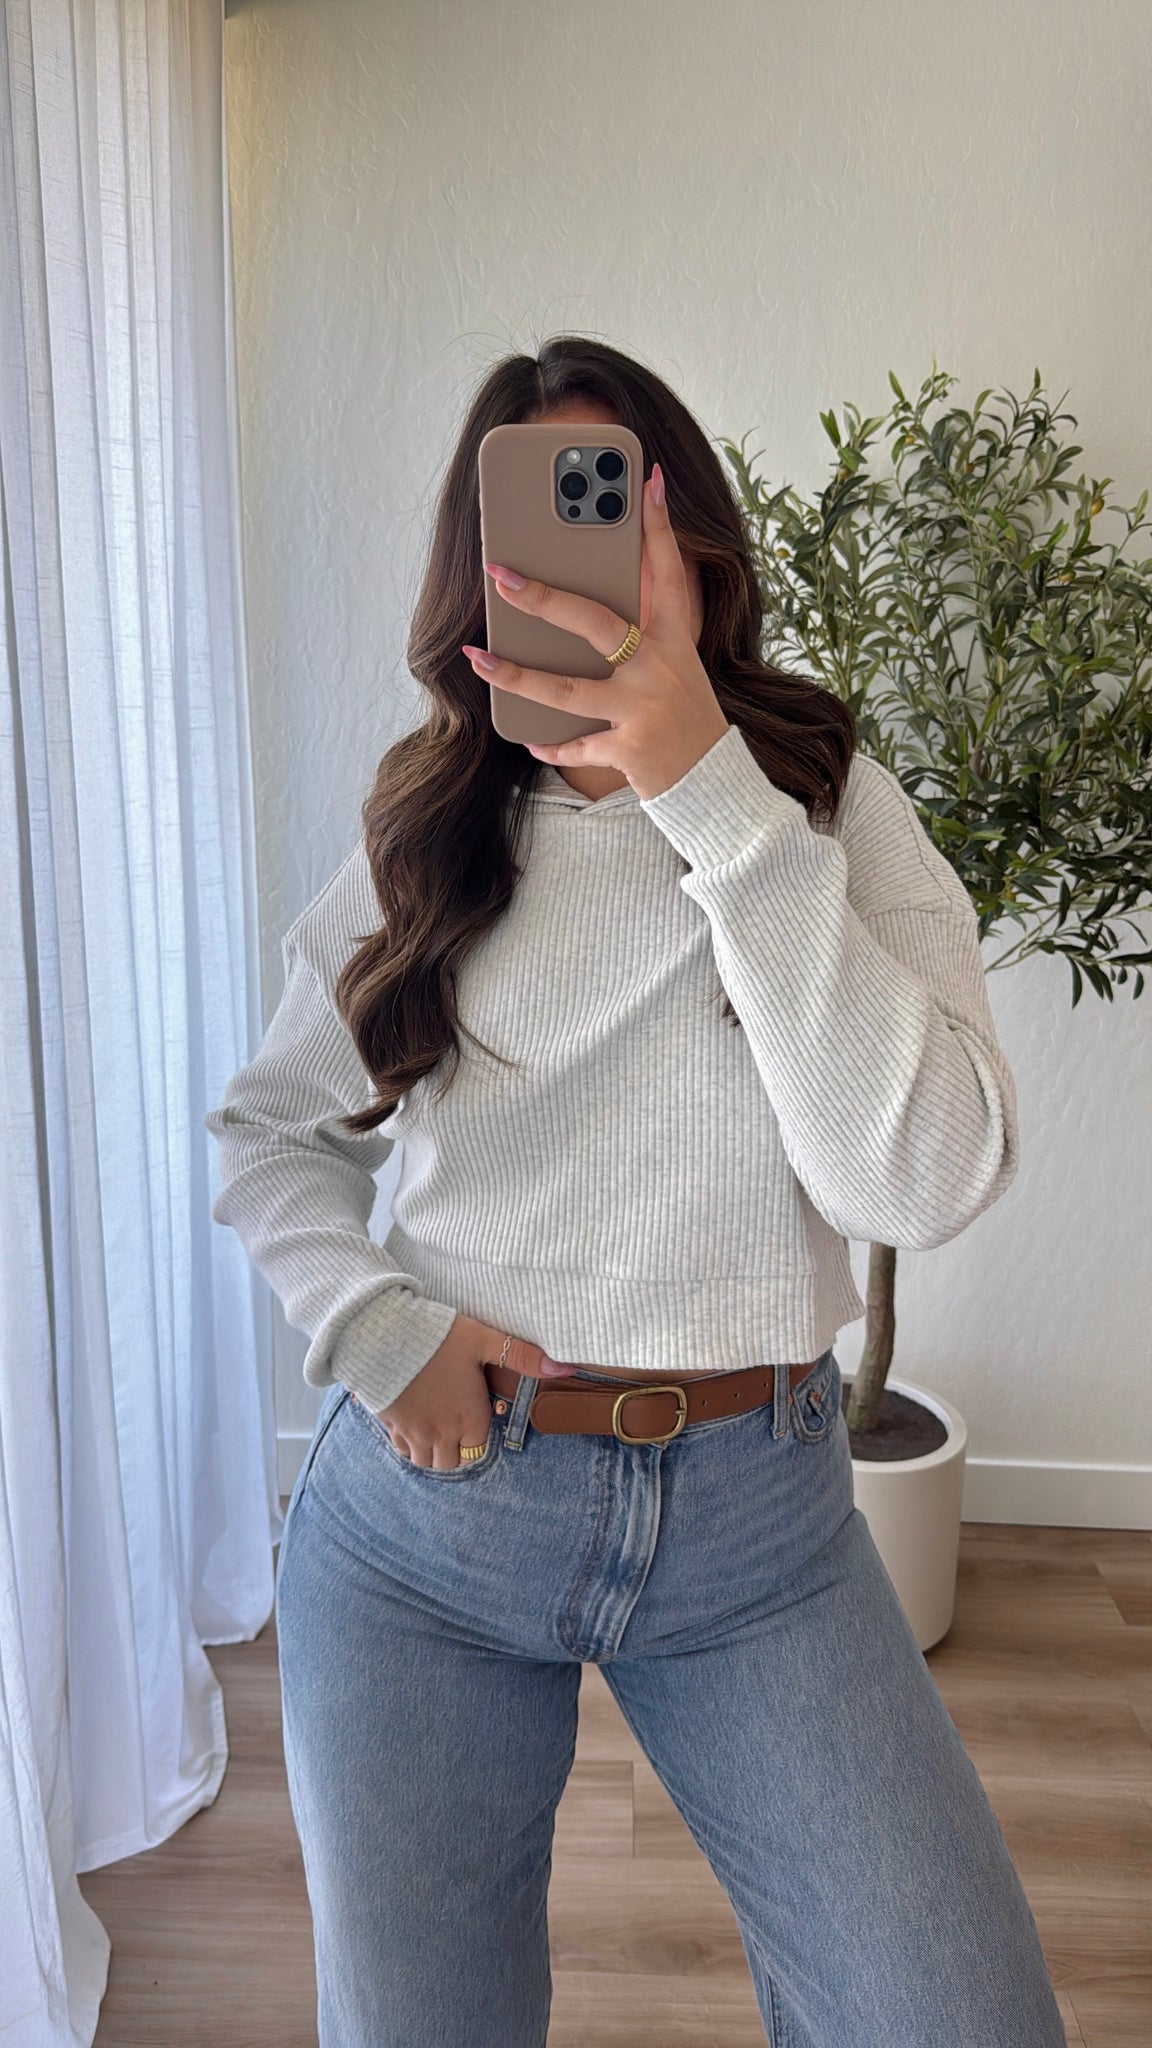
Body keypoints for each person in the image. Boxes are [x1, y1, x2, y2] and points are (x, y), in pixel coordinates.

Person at [204, 336, 1064, 2047]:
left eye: (615, 509)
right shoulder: (433, 827)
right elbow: (267, 1130)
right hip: (433, 1525)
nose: (577, 568)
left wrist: (706, 792)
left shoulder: (823, 807)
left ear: (691, 541)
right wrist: (376, 1326)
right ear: (479, 573)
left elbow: (924, 1173)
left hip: (761, 1530)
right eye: (539, 527)